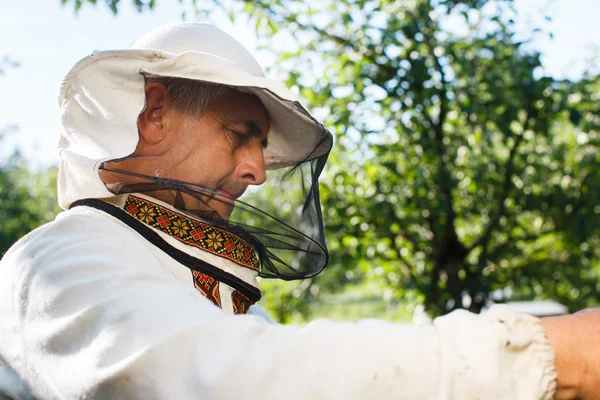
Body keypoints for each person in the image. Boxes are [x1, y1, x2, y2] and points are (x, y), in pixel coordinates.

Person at [0, 22, 597, 400]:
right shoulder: (55, 259)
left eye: (261, 147)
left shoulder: (186, 277)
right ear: (155, 114)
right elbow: (222, 381)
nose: (257, 170)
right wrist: (545, 355)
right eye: (241, 134)